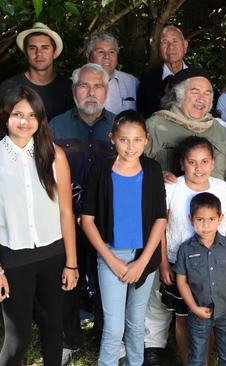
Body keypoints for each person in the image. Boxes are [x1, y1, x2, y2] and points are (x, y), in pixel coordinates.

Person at [80, 110, 167, 366]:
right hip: (111, 255)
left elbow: (160, 218)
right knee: (114, 327)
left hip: (144, 255)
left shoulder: (152, 169)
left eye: (137, 140)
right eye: (124, 139)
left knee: (136, 322)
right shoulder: (101, 169)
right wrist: (111, 260)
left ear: (147, 139)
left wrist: (142, 262)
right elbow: (87, 220)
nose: (131, 146)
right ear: (112, 138)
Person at [0, 86, 77, 365]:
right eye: (18, 114)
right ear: (6, 115)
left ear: (40, 118)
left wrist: (72, 263)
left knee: (53, 329)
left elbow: (66, 212)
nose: (25, 121)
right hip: (13, 259)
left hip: (54, 256)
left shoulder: (55, 156)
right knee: (17, 337)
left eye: (32, 115)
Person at [144, 136, 226, 365]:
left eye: (204, 161)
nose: (198, 168)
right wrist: (163, 262)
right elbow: (161, 226)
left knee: (209, 316)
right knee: (182, 316)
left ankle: (203, 360)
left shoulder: (223, 189)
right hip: (178, 262)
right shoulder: (172, 187)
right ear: (182, 164)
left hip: (213, 265)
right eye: (192, 162)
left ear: (213, 163)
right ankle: (188, 360)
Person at [49, 63, 115, 363]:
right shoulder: (56, 126)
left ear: (107, 90)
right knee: (67, 279)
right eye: (84, 86)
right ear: (74, 89)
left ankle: (107, 336)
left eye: (98, 86)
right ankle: (68, 339)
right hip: (64, 219)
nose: (91, 92)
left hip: (105, 220)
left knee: (107, 281)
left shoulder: (119, 127)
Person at [174, 193, 226, 366]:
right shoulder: (185, 249)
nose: (206, 225)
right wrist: (193, 308)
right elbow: (181, 281)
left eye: (211, 219)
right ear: (191, 219)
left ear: (220, 218)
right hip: (199, 314)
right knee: (197, 357)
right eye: (200, 219)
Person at [145, 68, 226, 181]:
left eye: (207, 93)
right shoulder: (154, 127)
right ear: (179, 95)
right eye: (195, 92)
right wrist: (158, 175)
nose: (201, 99)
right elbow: (135, 168)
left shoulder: (221, 131)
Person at [0, 23, 73, 122]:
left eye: (45, 47)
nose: (39, 53)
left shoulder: (69, 88)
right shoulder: (8, 88)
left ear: (54, 53)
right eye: (32, 48)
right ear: (26, 53)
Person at [138, 26, 189, 118]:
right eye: (164, 42)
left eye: (175, 41)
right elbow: (143, 113)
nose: (170, 47)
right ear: (159, 48)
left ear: (185, 45)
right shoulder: (148, 79)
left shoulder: (198, 76)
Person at [86, 32, 139, 114]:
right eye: (100, 52)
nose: (107, 56)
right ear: (89, 57)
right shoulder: (75, 84)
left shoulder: (132, 82)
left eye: (111, 52)